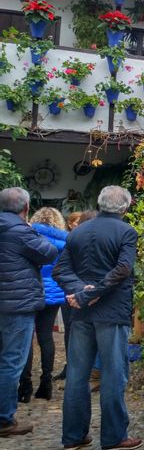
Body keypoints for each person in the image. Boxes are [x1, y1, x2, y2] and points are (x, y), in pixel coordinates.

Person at [53, 186, 141, 450]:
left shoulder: (78, 230)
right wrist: (94, 292)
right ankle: (114, 437)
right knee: (114, 374)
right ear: (125, 208)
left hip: (81, 311)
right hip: (111, 312)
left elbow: (61, 269)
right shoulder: (126, 231)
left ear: (101, 204)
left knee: (78, 374)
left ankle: (73, 436)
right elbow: (124, 268)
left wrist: (82, 291)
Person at [0, 187, 58, 437]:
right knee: (12, 361)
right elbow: (49, 253)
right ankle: (4, 419)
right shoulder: (21, 231)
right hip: (17, 304)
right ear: (25, 208)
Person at [18, 207, 68, 402]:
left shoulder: (29, 235)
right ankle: (46, 383)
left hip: (31, 290)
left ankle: (25, 385)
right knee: (46, 336)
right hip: (54, 292)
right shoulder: (64, 241)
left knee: (27, 338)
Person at [53, 211, 83, 382]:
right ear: (70, 224)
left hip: (78, 288)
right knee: (69, 327)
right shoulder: (67, 241)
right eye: (77, 222)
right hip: (69, 289)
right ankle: (71, 364)